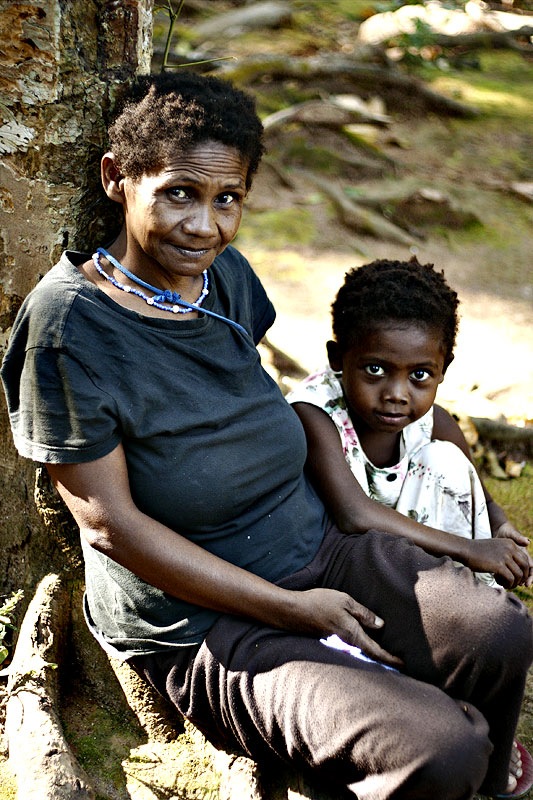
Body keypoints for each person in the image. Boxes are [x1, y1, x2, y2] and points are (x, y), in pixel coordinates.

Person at [1, 72, 532, 800]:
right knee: (436, 749)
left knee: (497, 635)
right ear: (116, 178)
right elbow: (110, 526)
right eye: (179, 193)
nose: (205, 226)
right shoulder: (65, 330)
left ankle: (485, 778)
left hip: (316, 546)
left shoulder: (224, 278)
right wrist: (288, 609)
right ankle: (445, 761)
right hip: (201, 623)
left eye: (229, 200)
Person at [287, 258, 533, 590]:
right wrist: (471, 549)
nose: (397, 394)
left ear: (443, 369)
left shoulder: (434, 423)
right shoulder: (314, 413)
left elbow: (482, 501)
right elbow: (353, 515)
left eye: (419, 374)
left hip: (411, 563)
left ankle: (471, 593)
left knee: (447, 462)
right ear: (337, 358)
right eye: (375, 370)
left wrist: (500, 529)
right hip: (337, 565)